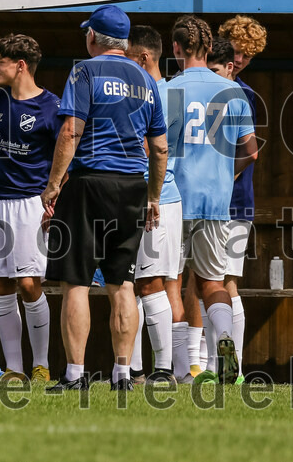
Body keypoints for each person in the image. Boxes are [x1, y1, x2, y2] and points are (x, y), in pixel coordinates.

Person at [40, 5, 168, 392]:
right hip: (131, 186)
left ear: (93, 37)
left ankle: (75, 375)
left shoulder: (84, 70)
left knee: (76, 283)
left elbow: (69, 134)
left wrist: (53, 185)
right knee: (123, 283)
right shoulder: (146, 80)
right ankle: (123, 374)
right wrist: (153, 197)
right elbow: (160, 149)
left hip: (88, 183)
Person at [167, 15, 257, 385]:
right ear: (209, 48)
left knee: (170, 282)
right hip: (217, 203)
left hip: (173, 197)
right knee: (212, 282)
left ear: (176, 49)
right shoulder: (233, 92)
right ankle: (224, 343)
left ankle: (176, 369)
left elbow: (157, 148)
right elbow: (251, 151)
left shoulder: (169, 88)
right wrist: (223, 173)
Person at [0, 33, 57, 383]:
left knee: (28, 282)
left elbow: (65, 157)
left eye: (0, 62)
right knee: (1, 284)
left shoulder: (53, 106)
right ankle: (15, 369)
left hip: (30, 205)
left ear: (20, 66)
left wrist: (54, 197)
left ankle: (41, 365)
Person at [123, 26, 184, 386]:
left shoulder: (152, 94)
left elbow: (149, 149)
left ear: (144, 58)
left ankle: (162, 371)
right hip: (160, 196)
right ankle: (133, 371)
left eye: (129, 59)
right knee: (131, 282)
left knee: (149, 282)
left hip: (155, 198)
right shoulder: (172, 93)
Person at [216, 15, 267, 379]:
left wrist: (220, 179)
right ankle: (199, 363)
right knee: (198, 280)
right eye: (236, 52)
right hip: (199, 202)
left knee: (227, 281)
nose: (240, 61)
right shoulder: (193, 88)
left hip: (233, 202)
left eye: (248, 57)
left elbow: (248, 151)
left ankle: (232, 366)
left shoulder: (245, 95)